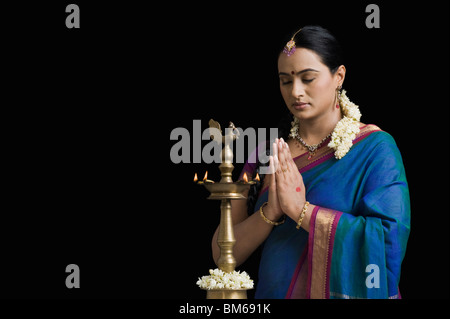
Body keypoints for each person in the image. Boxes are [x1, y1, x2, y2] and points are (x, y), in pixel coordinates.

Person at [211, 25, 410, 299]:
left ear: (339, 75)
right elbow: (223, 254)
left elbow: (387, 241)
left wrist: (302, 211)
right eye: (285, 80)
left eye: (308, 78)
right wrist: (271, 212)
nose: (295, 92)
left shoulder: (375, 149)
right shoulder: (265, 154)